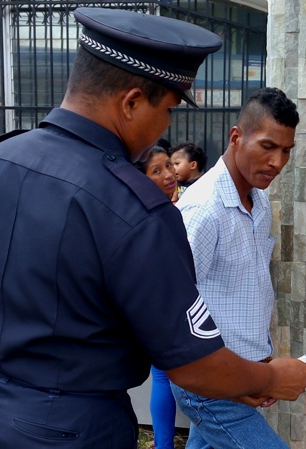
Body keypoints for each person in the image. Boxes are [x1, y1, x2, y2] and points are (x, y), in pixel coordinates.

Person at [0, 8, 306, 449]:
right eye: (168, 110)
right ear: (132, 102)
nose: (167, 126)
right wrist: (272, 378)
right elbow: (192, 364)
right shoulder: (132, 207)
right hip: (72, 428)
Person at [169, 87, 300, 449]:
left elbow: (245, 288)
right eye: (268, 146)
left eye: (286, 150)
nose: (277, 162)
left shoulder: (260, 201)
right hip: (209, 381)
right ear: (236, 137)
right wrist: (227, 382)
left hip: (242, 373)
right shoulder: (203, 209)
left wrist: (258, 361)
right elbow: (172, 309)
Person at [135, 146, 181, 449]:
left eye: (169, 165)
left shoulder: (171, 208)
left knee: (164, 376)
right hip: (162, 307)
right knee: (165, 375)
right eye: (157, 170)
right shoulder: (150, 215)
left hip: (168, 305)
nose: (169, 174)